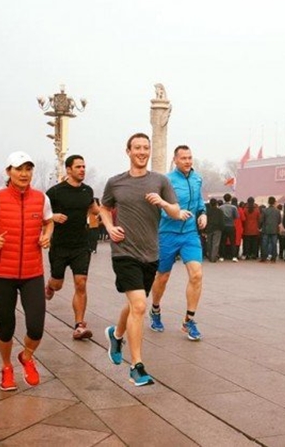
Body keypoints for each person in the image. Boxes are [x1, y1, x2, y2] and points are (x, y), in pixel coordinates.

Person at [100, 133, 181, 387]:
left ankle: (117, 333)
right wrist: (110, 227)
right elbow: (103, 207)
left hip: (150, 252)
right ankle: (136, 366)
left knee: (137, 304)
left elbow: (177, 212)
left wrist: (163, 203)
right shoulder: (115, 182)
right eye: (137, 148)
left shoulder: (160, 181)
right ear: (128, 151)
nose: (142, 152)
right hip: (124, 251)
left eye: (146, 148)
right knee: (138, 306)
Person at [0, 151, 53, 391]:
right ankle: (6, 367)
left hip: (33, 271)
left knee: (36, 326)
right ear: (8, 172)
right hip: (3, 272)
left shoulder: (41, 198)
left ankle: (27, 356)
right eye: (19, 169)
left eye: (28, 169)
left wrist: (46, 236)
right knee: (6, 326)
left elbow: (48, 221)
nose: (24, 174)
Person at [150, 145, 207, 341]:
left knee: (196, 275)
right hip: (168, 233)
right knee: (162, 277)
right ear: (175, 160)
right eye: (183, 158)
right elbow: (160, 205)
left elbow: (199, 201)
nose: (188, 161)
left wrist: (203, 214)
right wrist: (175, 213)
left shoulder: (197, 178)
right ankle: (155, 309)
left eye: (190, 157)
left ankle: (189, 321)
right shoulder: (166, 180)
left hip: (190, 234)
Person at [45, 155, 98, 340]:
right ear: (68, 170)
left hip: (81, 246)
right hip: (60, 246)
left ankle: (79, 326)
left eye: (84, 166)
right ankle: (50, 286)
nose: (82, 169)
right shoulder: (55, 192)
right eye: (78, 167)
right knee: (57, 284)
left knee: (81, 283)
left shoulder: (87, 191)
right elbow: (40, 213)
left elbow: (95, 209)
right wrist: (53, 217)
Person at [259, 196, 281, 262]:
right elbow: (279, 221)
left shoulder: (264, 210)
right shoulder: (277, 211)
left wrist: (260, 227)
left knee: (264, 244)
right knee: (274, 244)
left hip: (266, 229)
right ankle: (273, 258)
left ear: (268, 202)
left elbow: (261, 220)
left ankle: (264, 258)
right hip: (274, 230)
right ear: (274, 202)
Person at [219, 193, 239, 262]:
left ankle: (222, 256)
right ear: (230, 199)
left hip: (223, 226)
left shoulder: (220, 207)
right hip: (231, 226)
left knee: (223, 242)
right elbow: (237, 217)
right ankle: (234, 256)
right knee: (233, 242)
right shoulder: (233, 207)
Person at [205, 198, 224, 262]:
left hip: (209, 229)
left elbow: (205, 221)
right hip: (217, 229)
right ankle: (213, 258)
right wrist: (222, 228)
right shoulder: (220, 211)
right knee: (215, 243)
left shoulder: (207, 211)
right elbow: (222, 221)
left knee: (209, 243)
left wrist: (204, 230)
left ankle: (210, 256)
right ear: (216, 204)